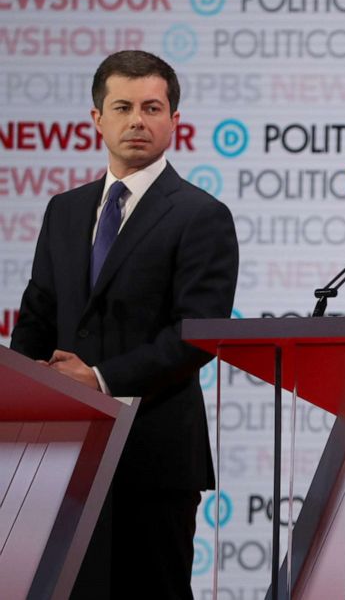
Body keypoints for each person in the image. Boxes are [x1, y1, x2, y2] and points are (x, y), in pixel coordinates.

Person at [10, 50, 239, 599]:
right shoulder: (64, 210)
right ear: (97, 119)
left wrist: (99, 379)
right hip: (62, 454)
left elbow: (196, 335)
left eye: (152, 107)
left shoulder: (200, 214)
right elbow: (39, 312)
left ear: (174, 121)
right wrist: (21, 403)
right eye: (123, 107)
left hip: (153, 455)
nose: (138, 119)